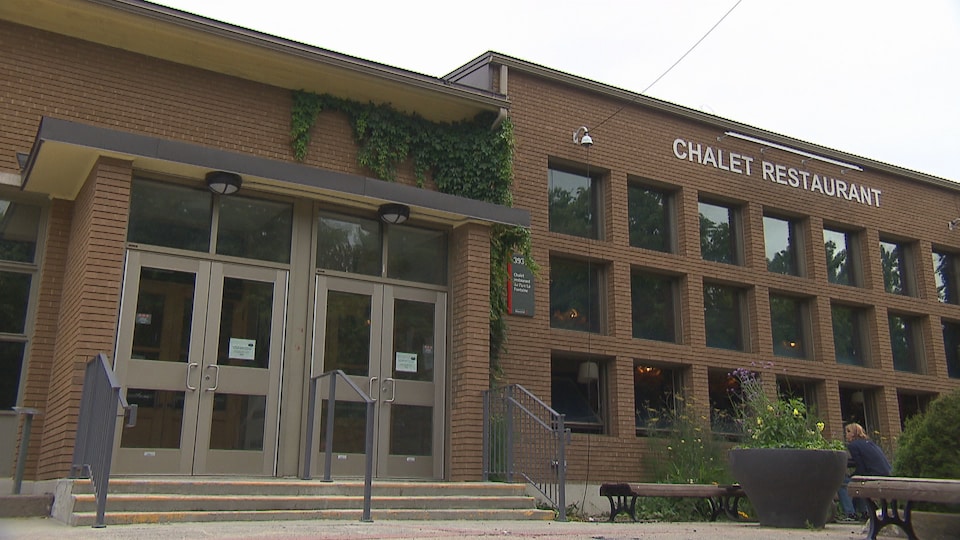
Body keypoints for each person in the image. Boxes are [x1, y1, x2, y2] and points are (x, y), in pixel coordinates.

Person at [837, 422, 892, 521]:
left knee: (843, 482)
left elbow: (861, 467)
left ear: (853, 433)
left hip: (874, 476)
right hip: (885, 474)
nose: (846, 435)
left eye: (847, 432)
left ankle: (850, 514)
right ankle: (865, 512)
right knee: (856, 482)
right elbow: (864, 461)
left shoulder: (853, 445)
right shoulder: (868, 443)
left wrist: (851, 475)